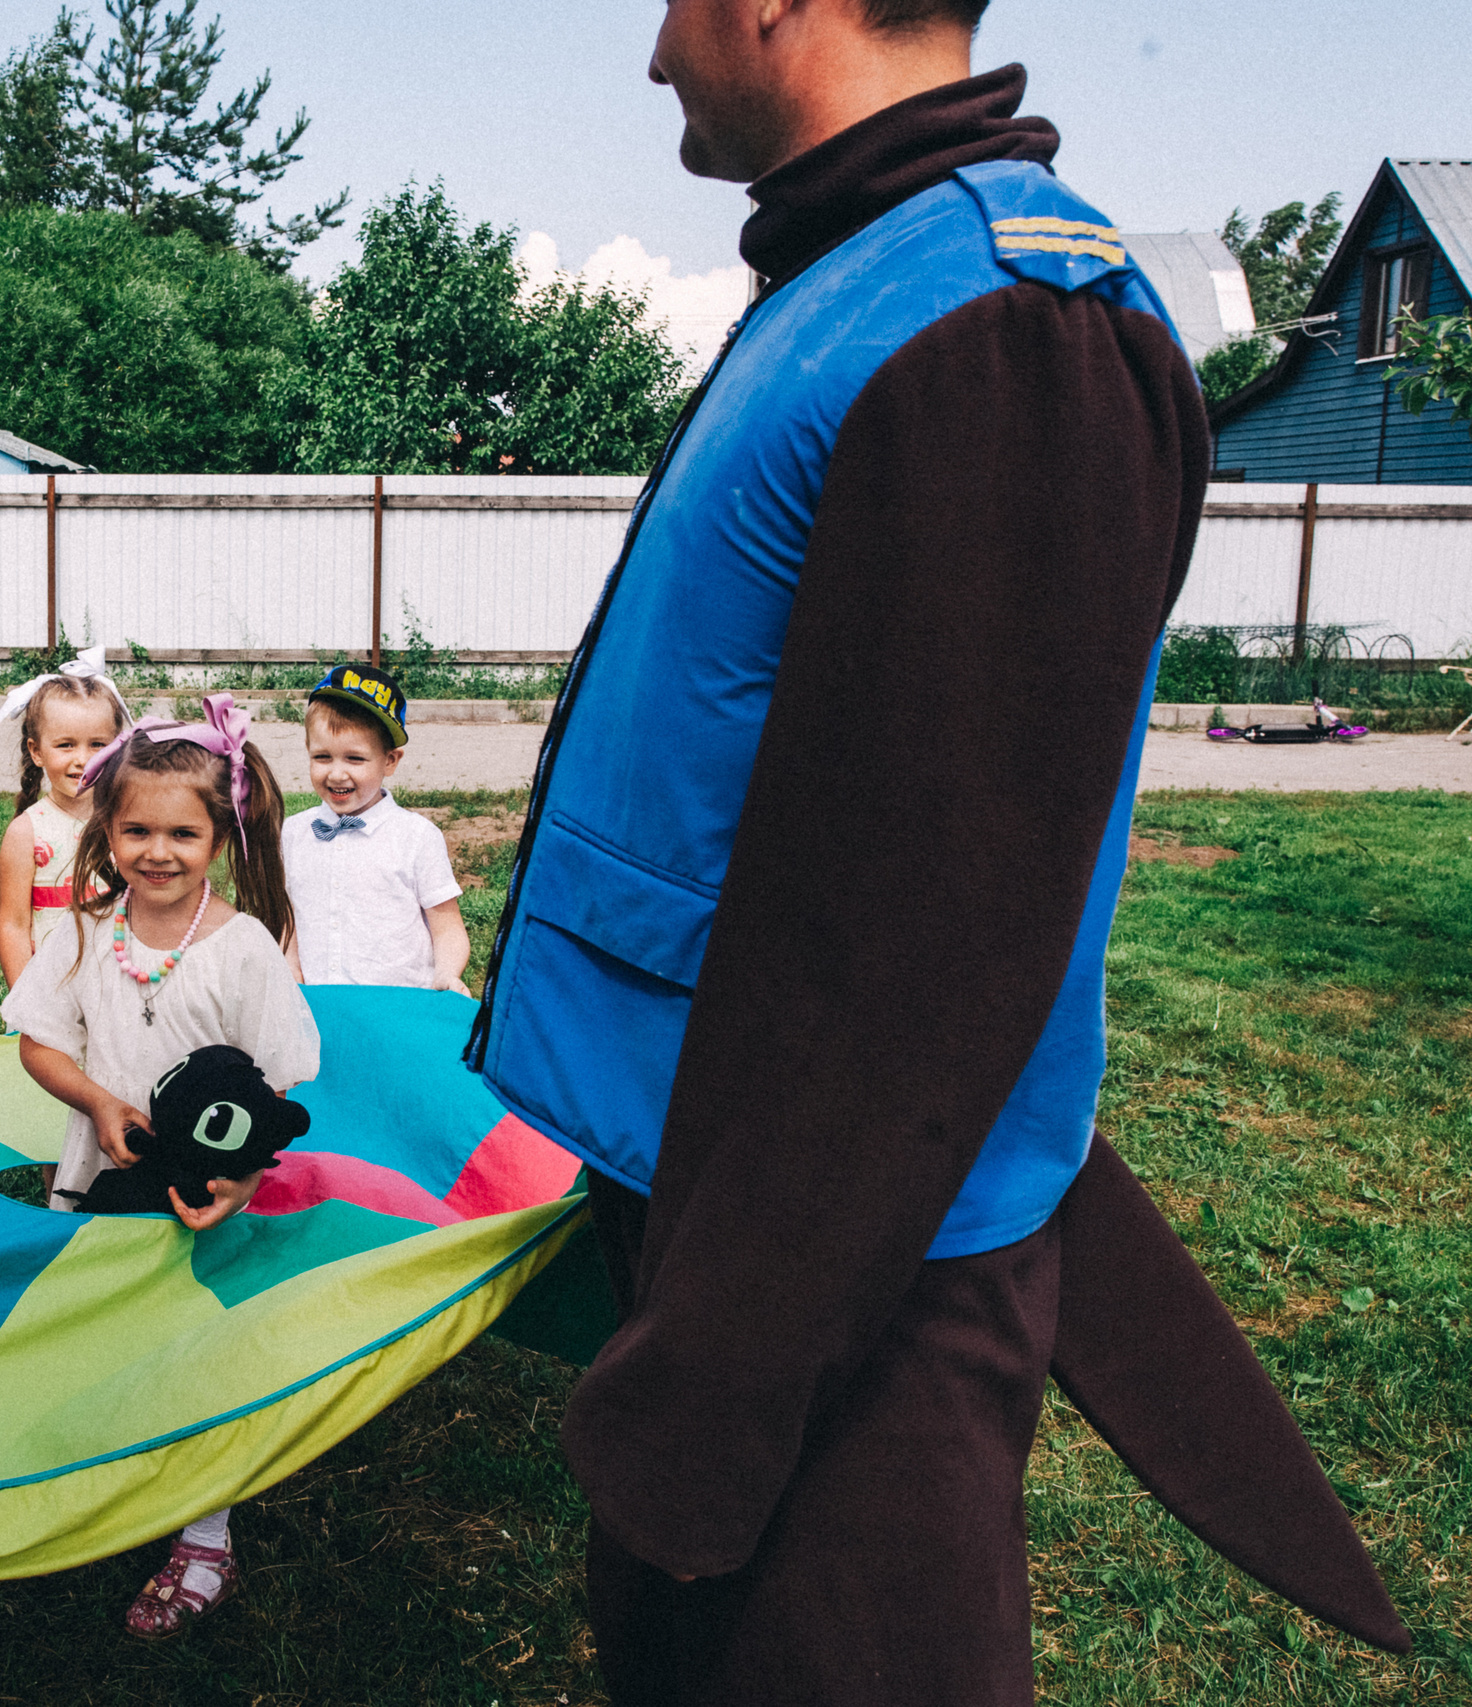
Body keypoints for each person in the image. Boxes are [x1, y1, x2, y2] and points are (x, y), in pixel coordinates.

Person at [465, 2, 1406, 1700]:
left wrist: (719, 1371)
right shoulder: (870, 280)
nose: (654, 53)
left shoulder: (998, 330)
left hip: (837, 1283)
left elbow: (927, 946)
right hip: (746, 1223)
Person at [0, 693, 318, 1639]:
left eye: (183, 831)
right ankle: (109, 1482)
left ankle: (204, 1532)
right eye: (136, 828)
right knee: (108, 1336)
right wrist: (98, 1101)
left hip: (207, 1201)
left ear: (219, 835)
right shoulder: (90, 931)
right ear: (107, 828)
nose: (157, 850)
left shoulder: (244, 949)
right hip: (104, 1184)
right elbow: (40, 1042)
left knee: (198, 1354)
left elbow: (278, 1083)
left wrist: (244, 1179)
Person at [280, 662, 469, 992]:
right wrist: (290, 969)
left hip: (397, 1008)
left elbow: (447, 925)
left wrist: (447, 974)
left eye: (355, 759)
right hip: (317, 1007)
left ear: (390, 761)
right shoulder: (293, 833)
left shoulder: (417, 837)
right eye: (322, 757)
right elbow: (288, 919)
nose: (337, 774)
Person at [0, 647, 129, 986]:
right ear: (36, 751)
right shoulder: (27, 832)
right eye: (65, 745)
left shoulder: (130, 822)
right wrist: (25, 1000)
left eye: (97, 744)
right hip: (54, 986)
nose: (82, 759)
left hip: (122, 981)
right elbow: (13, 924)